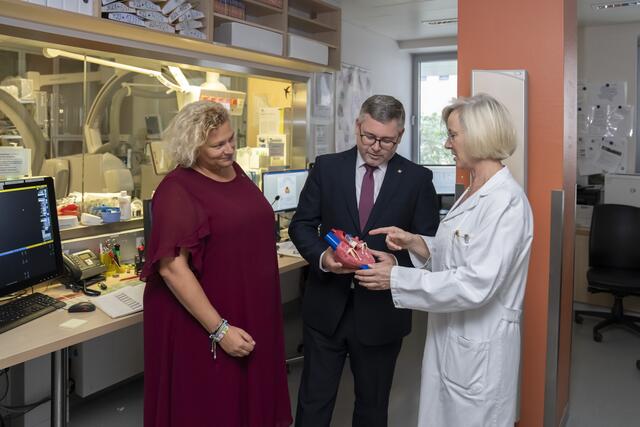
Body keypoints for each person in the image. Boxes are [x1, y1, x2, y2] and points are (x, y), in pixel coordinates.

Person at [355, 93, 534, 427]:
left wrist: (395, 278)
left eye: (453, 135)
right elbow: (460, 250)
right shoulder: (475, 189)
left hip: (479, 350)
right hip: (453, 338)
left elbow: (475, 283)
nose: (447, 144)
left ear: (479, 136)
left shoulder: (506, 202)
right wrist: (417, 243)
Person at [289, 95, 439, 427]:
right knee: (313, 404)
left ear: (400, 136)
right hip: (326, 308)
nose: (375, 147)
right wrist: (324, 257)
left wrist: (396, 265)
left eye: (386, 141)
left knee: (372, 408)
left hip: (382, 315)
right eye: (369, 136)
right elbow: (301, 225)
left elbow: (429, 245)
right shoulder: (327, 168)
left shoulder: (417, 179)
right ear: (357, 126)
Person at [141, 100, 292, 427]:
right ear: (193, 146)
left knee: (248, 399)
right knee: (215, 404)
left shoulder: (235, 172)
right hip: (208, 318)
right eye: (218, 145)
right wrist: (220, 330)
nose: (229, 149)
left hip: (250, 306)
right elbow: (172, 268)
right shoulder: (177, 189)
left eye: (231, 139)